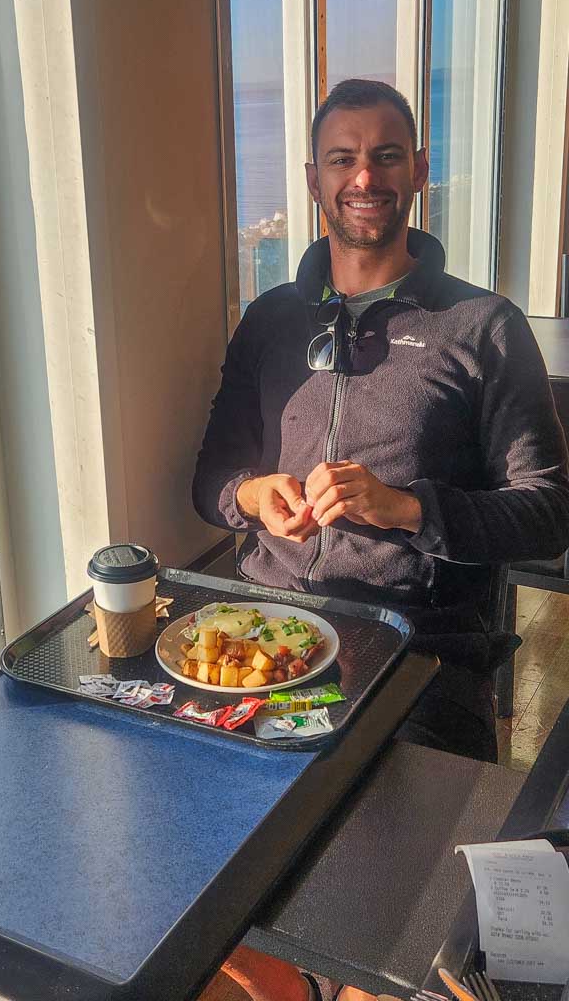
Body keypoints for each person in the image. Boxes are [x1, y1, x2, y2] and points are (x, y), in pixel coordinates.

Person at [191, 78, 569, 1001]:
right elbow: (207, 483)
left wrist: (412, 511)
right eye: (343, 157)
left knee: (397, 944)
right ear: (317, 179)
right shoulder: (270, 322)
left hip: (421, 653)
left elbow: (551, 510)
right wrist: (252, 495)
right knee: (207, 917)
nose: (366, 175)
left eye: (387, 154)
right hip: (268, 637)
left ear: (418, 174)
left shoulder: (482, 326)